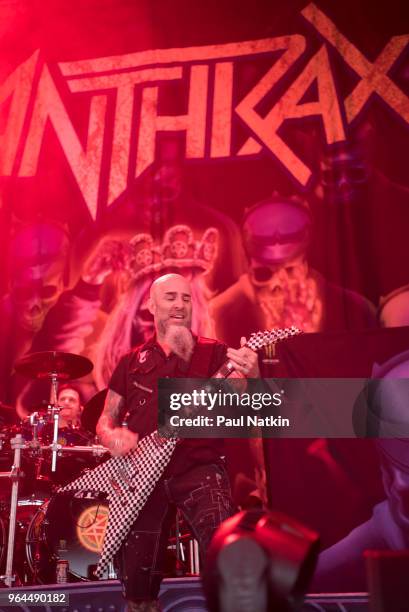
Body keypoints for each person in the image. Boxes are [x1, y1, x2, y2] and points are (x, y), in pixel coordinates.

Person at [96, 273, 259, 612]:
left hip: (199, 468)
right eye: (170, 297)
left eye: (186, 298)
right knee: (138, 593)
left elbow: (242, 394)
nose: (179, 305)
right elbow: (105, 419)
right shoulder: (130, 362)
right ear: (151, 305)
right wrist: (112, 436)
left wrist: (252, 375)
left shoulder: (214, 352)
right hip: (143, 478)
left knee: (228, 564)